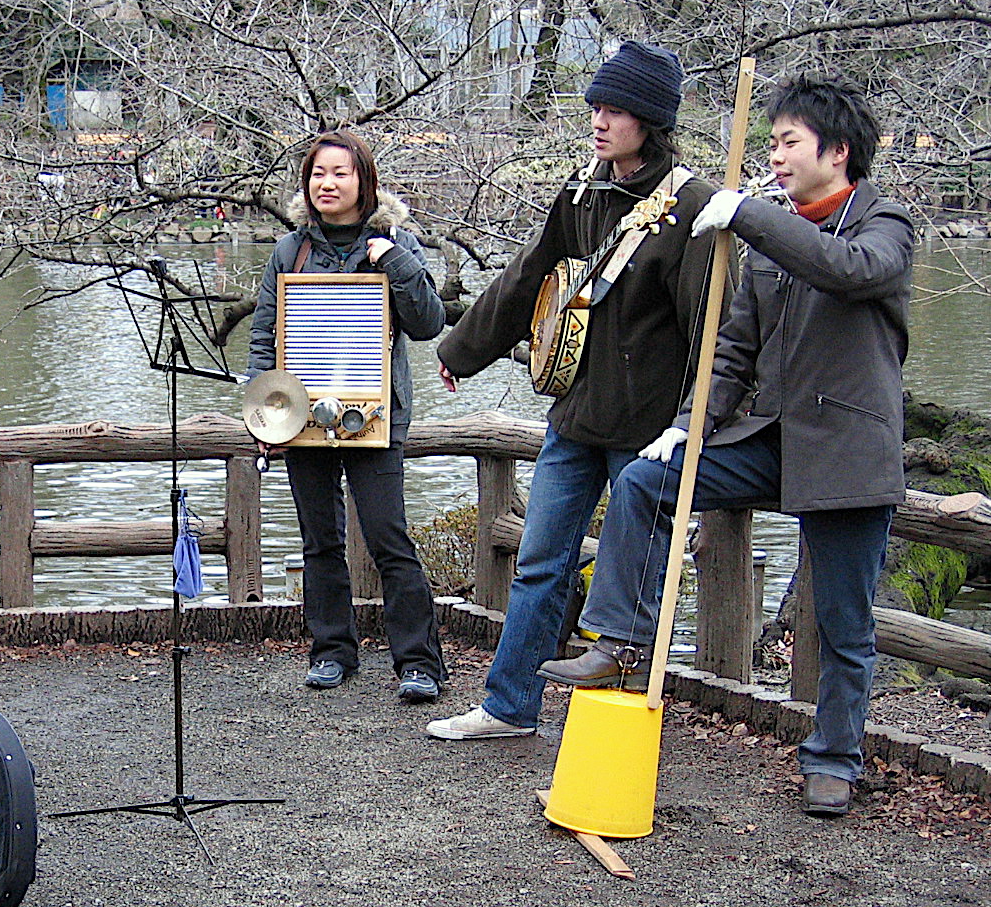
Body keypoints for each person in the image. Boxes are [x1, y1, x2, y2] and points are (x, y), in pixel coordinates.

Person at [538, 74, 913, 818]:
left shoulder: (884, 223)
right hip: (769, 440)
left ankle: (833, 759)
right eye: (769, 142)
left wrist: (745, 215)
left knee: (842, 621)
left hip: (845, 451)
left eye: (789, 143)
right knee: (648, 482)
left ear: (837, 152)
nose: (774, 157)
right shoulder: (774, 235)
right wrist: (688, 423)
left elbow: (848, 271)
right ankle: (622, 638)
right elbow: (733, 348)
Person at [425, 40, 723, 741]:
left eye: (614, 109)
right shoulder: (584, 190)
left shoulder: (693, 208)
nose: (598, 120)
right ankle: (508, 707)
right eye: (595, 106)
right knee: (538, 561)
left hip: (650, 428)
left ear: (649, 120)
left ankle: (623, 725)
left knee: (642, 573)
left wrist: (688, 424)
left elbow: (713, 333)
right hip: (578, 414)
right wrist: (462, 349)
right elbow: (529, 272)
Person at [248, 130, 448, 704]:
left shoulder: (394, 242)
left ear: (364, 180)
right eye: (317, 173)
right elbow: (266, 336)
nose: (327, 183)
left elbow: (430, 322)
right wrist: (266, 416)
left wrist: (395, 261)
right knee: (319, 540)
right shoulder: (290, 251)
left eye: (339, 173)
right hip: (302, 415)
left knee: (388, 537)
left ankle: (418, 662)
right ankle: (332, 651)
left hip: (375, 416)